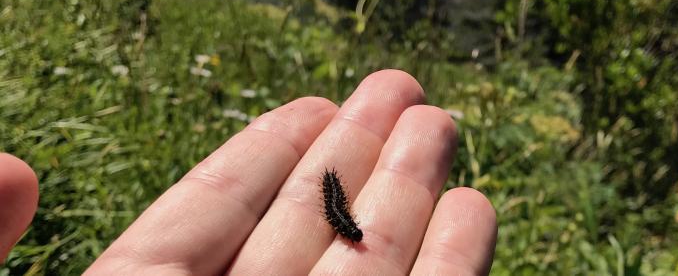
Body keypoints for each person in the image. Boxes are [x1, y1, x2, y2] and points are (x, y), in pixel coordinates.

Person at [1, 70, 497, 275]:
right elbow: (336, 211)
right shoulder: (337, 209)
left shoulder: (339, 212)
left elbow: (336, 212)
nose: (346, 224)